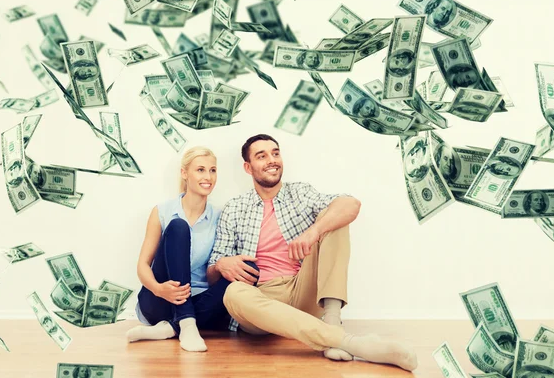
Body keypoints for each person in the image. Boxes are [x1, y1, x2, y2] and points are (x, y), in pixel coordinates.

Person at [207, 134, 418, 371]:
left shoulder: (300, 193)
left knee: (333, 219)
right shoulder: (234, 208)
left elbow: (351, 204)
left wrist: (313, 232)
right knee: (233, 293)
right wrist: (221, 264)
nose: (272, 160)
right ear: (248, 167)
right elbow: (212, 272)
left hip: (303, 287)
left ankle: (331, 321)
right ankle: (346, 341)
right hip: (264, 300)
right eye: (262, 156)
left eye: (275, 153)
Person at [127, 146, 257, 352]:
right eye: (201, 170)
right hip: (160, 298)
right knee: (179, 227)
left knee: (248, 269)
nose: (208, 177)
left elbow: (215, 274)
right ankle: (186, 323)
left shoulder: (220, 216)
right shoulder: (162, 211)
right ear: (184, 173)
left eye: (213, 170)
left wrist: (226, 265)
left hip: (200, 302)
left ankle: (173, 327)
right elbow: (143, 265)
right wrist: (159, 289)